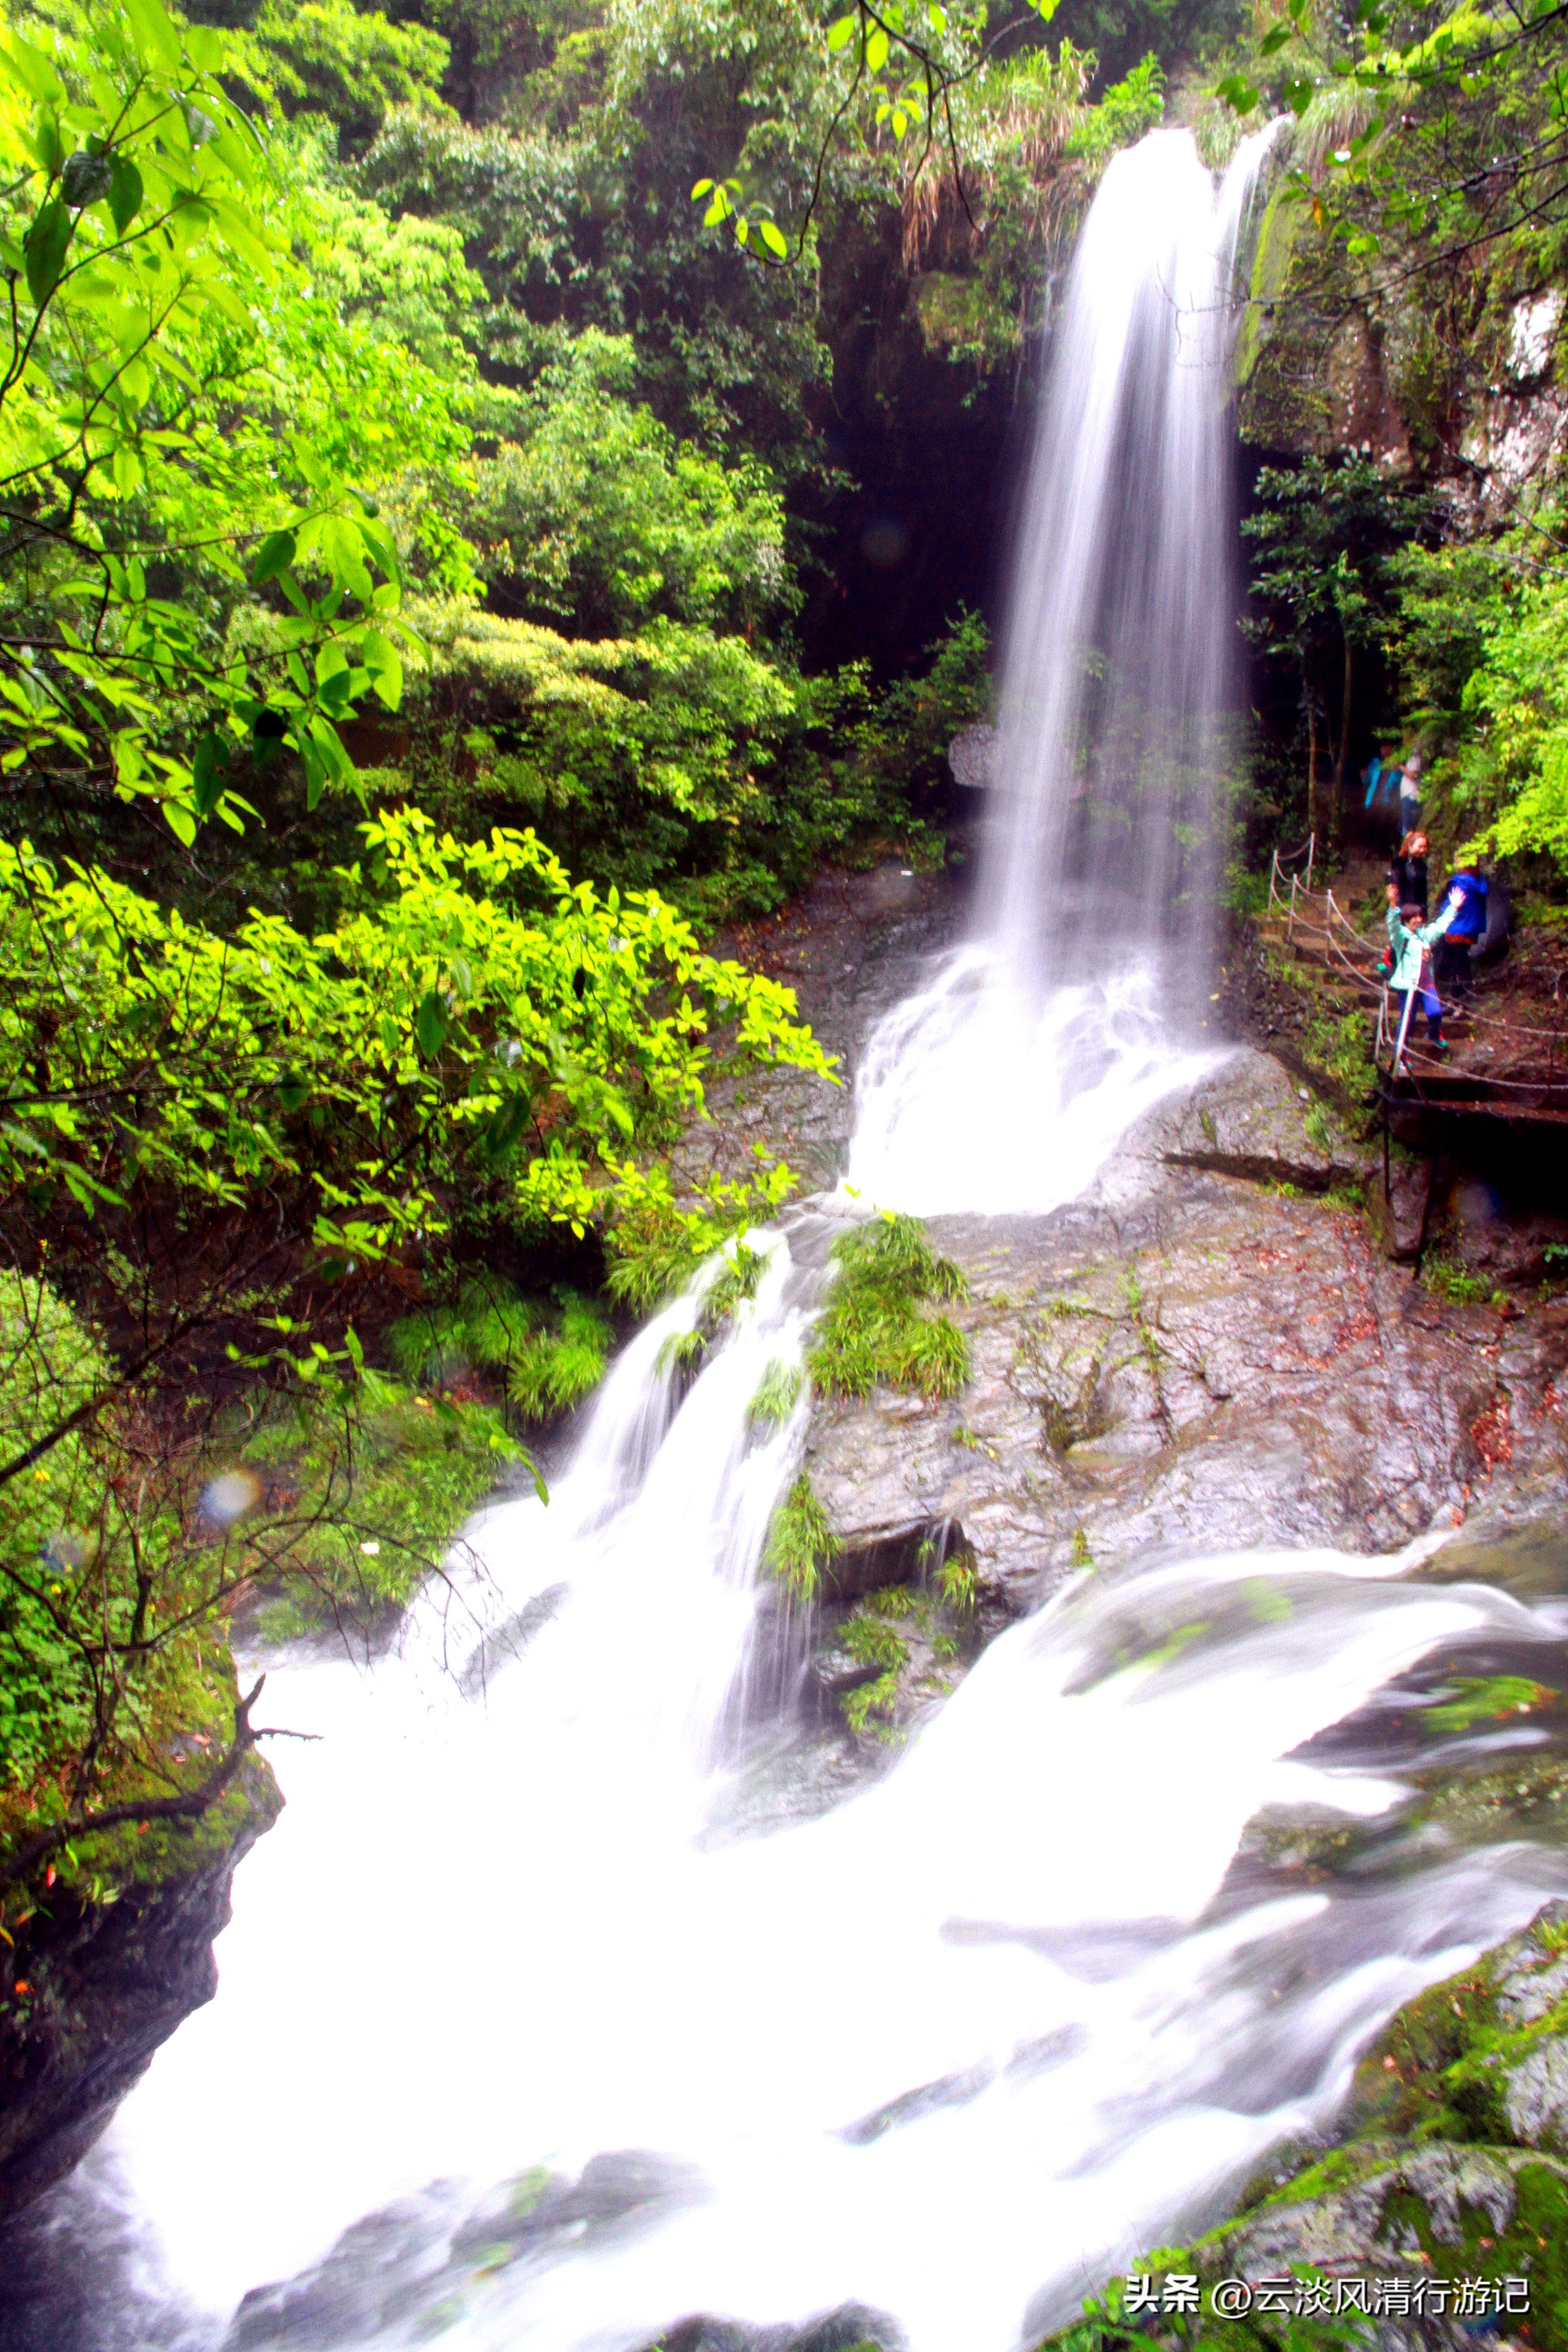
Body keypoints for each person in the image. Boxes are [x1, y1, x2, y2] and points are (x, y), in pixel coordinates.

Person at [1386, 883, 1462, 1056]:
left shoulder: (1424, 936)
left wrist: (1453, 908)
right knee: (1407, 1021)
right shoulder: (1401, 938)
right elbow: (1392, 925)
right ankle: (1400, 1057)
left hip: (1426, 984)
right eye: (1415, 917)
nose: (1420, 919)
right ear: (1407, 919)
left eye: (1421, 916)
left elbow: (1440, 927)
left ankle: (1433, 1033)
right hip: (1407, 987)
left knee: (1436, 1013)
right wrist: (1392, 903)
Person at [1434, 860, 1489, 996]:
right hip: (1469, 931)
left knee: (1458, 968)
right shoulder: (1479, 882)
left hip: (1457, 930)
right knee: (1461, 965)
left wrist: (1444, 909)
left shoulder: (1460, 882)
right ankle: (1456, 1000)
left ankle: (1462, 1002)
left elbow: (1449, 906)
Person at [1389, 830, 1429, 919]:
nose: (1423, 850)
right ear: (1410, 846)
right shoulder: (1399, 864)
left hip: (1419, 912)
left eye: (1425, 847)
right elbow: (1396, 889)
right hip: (1403, 911)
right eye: (1420, 847)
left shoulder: (1422, 865)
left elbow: (1423, 892)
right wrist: (1401, 911)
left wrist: (1423, 911)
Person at [1398, 751, 1425, 837]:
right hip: (1407, 795)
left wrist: (1400, 766)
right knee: (1401, 827)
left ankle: (1408, 847)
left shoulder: (1416, 754)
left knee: (1407, 830)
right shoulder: (1410, 754)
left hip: (1411, 794)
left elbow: (1414, 775)